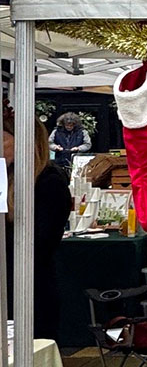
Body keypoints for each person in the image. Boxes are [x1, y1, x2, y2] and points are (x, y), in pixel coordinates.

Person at [4, 108, 73, 340]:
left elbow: (38, 244)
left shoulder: (48, 182)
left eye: (3, 140)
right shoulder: (9, 179)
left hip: (29, 291)